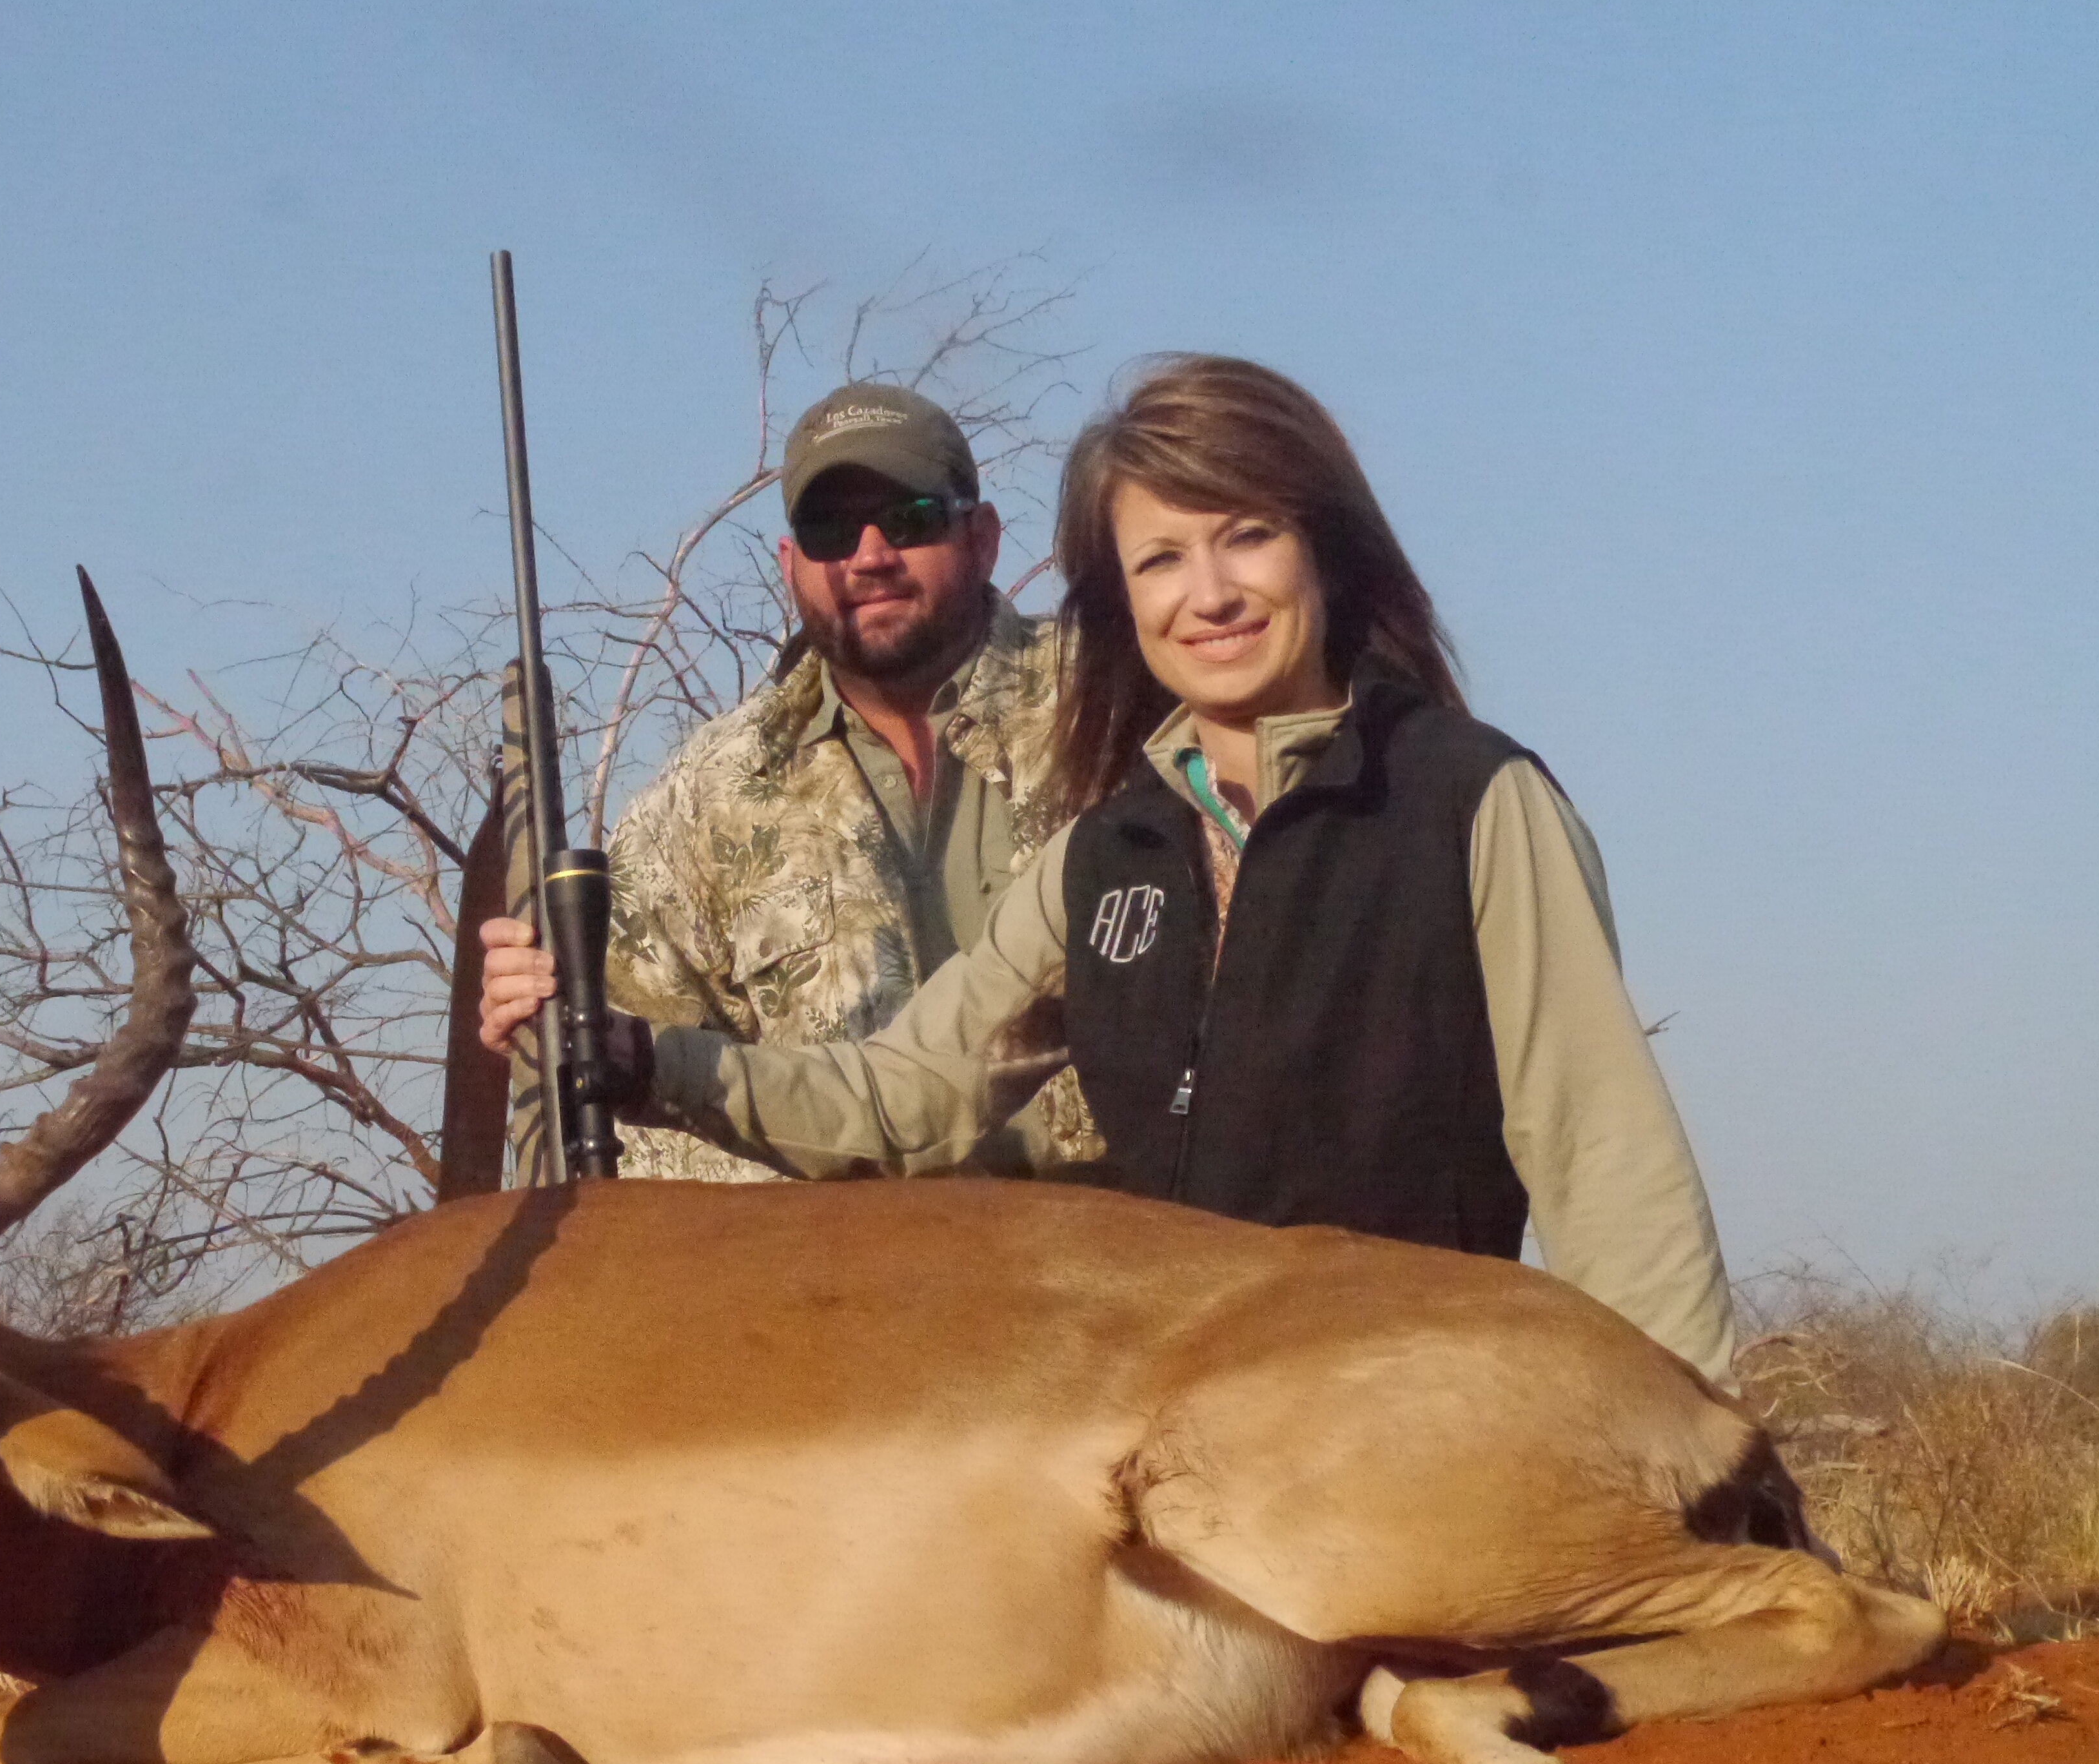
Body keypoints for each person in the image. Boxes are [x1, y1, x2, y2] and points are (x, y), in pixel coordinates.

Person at [486, 354, 1735, 1383]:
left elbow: (1603, 1155)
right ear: (1123, 597)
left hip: (1405, 1382)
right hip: (1138, 1387)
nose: (1211, 594)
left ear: (1326, 551)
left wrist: (1697, 1449)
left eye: (1246, 537)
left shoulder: (1469, 799)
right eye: (1160, 561)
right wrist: (635, 1053)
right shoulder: (1113, 847)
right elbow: (903, 1093)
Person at [596, 380, 1096, 1183]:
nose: (869, 557)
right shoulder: (703, 795)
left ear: (984, 538)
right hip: (839, 1287)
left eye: (911, 519)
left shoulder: (1115, 702)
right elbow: (640, 1122)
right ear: (790, 565)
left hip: (1134, 1259)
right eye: (831, 530)